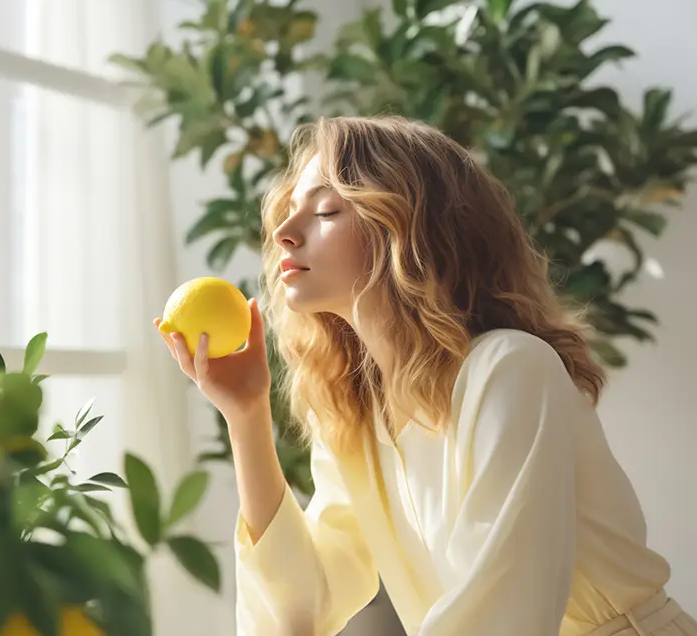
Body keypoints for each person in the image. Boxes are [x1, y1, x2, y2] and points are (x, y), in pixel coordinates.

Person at [154, 116, 696, 636]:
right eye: (289, 212)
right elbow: (305, 605)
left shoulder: (508, 370)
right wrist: (245, 415)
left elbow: (503, 615)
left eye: (324, 213)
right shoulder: (360, 413)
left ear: (407, 230)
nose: (285, 234)